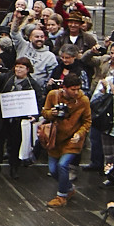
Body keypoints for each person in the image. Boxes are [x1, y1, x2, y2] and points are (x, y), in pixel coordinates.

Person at [38, 73, 91, 208]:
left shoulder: (83, 101)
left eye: (78, 89)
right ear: (64, 87)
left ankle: (61, 196)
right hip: (55, 138)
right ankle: (68, 188)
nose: (76, 92)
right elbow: (44, 112)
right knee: (53, 170)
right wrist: (52, 113)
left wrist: (80, 133)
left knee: (63, 165)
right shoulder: (53, 95)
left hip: (73, 139)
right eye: (73, 89)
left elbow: (87, 121)